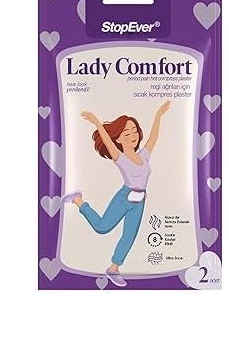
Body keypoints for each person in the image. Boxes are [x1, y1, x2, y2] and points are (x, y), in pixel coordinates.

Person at [61, 101, 171, 287]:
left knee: (129, 237)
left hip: (140, 201)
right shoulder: (120, 158)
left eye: (135, 131)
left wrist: (158, 115)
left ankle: (113, 269)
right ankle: (78, 200)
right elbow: (106, 140)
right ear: (118, 139)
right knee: (102, 228)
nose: (133, 136)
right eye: (127, 134)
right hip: (124, 198)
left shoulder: (144, 155)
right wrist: (97, 122)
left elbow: (153, 137)